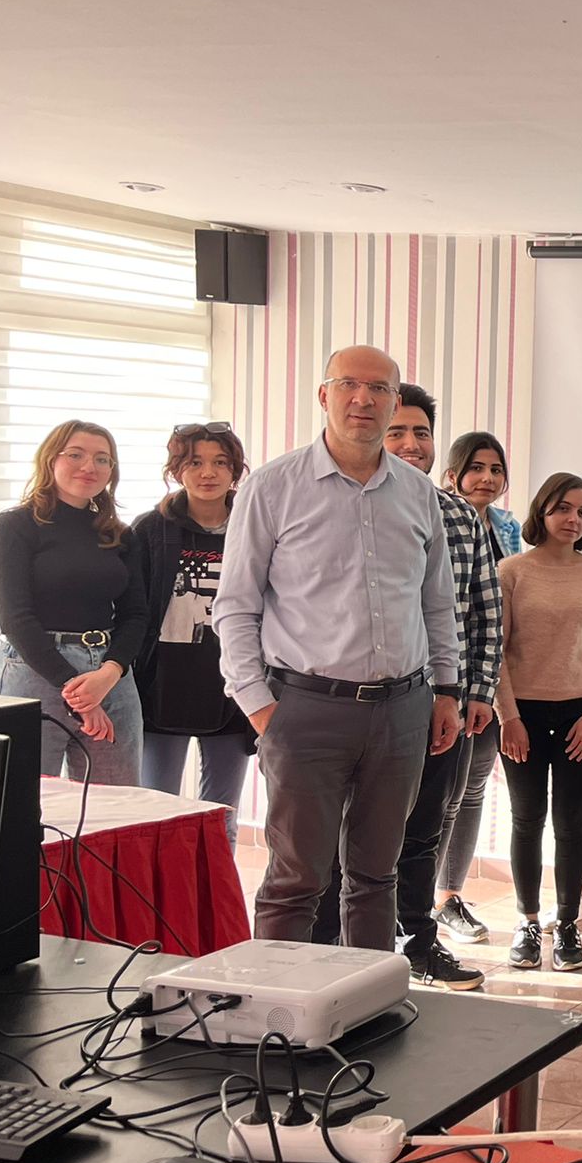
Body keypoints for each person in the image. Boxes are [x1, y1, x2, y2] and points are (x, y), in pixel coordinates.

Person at [217, 347, 463, 951]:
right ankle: (277, 1005)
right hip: (304, 711)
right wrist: (259, 705)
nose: (363, 399)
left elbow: (436, 601)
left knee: (377, 877)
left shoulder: (418, 493)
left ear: (394, 402)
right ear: (324, 395)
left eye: (379, 389)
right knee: (296, 881)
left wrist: (447, 690)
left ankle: (370, 997)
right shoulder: (272, 487)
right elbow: (235, 605)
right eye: (349, 384)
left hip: (402, 711)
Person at [309, 385, 503, 985]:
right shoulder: (334, 505)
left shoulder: (459, 516)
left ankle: (418, 942)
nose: (411, 444)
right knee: (339, 834)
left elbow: (481, 612)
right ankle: (328, 947)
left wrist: (474, 692)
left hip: (437, 703)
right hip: (348, 702)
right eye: (398, 432)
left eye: (421, 433)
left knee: (423, 828)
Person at [496, 473, 582, 972]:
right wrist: (509, 717)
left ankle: (567, 923)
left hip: (580, 718)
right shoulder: (511, 571)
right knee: (527, 820)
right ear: (542, 511)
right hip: (522, 716)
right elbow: (496, 652)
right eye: (563, 509)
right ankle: (528, 922)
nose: (573, 519)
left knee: (572, 823)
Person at [0, 420, 146, 783]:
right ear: (50, 460)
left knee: (118, 803)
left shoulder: (120, 535)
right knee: (23, 800)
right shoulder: (14, 526)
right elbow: (16, 620)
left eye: (102, 459)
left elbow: (136, 615)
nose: (89, 466)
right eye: (76, 455)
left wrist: (108, 673)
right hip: (34, 672)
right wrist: (78, 693)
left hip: (110, 673)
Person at [132, 421, 256, 843]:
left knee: (221, 817)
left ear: (234, 469)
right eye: (195, 462)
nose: (208, 473)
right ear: (177, 469)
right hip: (161, 688)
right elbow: (133, 611)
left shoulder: (254, 525)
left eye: (220, 462)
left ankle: (216, 890)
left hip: (233, 690)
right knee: (155, 813)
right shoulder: (151, 529)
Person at [432, 430, 518, 943]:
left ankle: (449, 897)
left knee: (472, 790)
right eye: (476, 468)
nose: (487, 478)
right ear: (453, 475)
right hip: (443, 681)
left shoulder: (509, 528)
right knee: (439, 795)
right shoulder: (438, 519)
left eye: (496, 469)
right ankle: (416, 903)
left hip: (491, 680)